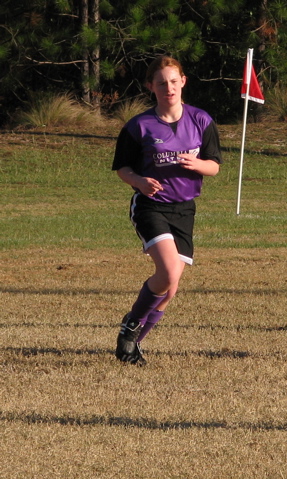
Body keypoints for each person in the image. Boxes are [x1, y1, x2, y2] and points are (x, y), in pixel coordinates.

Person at [112, 55, 223, 365]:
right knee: (168, 272)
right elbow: (122, 168)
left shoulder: (201, 120)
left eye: (174, 81)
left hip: (184, 209)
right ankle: (131, 325)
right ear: (151, 86)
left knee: (170, 288)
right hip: (151, 206)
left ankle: (132, 345)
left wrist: (198, 164)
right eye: (161, 83)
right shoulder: (139, 126)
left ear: (183, 81)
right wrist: (138, 181)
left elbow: (214, 165)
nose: (169, 88)